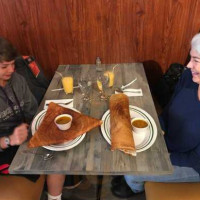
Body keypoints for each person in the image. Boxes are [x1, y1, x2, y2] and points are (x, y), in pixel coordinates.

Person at [111, 33, 200, 198]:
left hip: (194, 165)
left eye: (196, 60)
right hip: (173, 144)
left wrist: (159, 158)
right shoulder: (189, 77)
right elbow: (169, 109)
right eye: (191, 57)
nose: (188, 65)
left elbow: (195, 160)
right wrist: (155, 127)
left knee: (131, 171)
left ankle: (136, 188)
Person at [0, 37, 67, 200]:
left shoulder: (17, 80)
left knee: (60, 148)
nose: (11, 70)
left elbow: (32, 110)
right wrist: (9, 140)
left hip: (25, 136)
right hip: (5, 148)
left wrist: (39, 124)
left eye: (13, 64)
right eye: (4, 66)